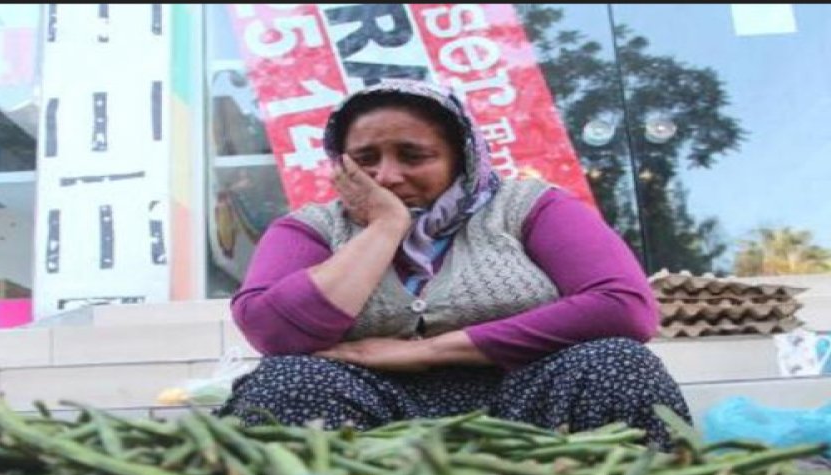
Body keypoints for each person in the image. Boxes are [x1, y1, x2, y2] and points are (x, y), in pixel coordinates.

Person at [218, 79, 689, 447]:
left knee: (617, 363)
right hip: (367, 406)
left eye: (413, 155)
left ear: (461, 159)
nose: (386, 175)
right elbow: (272, 332)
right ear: (342, 165)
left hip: (528, 395)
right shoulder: (314, 227)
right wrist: (385, 227)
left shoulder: (527, 206)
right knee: (286, 382)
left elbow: (622, 306)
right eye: (365, 159)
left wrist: (423, 351)